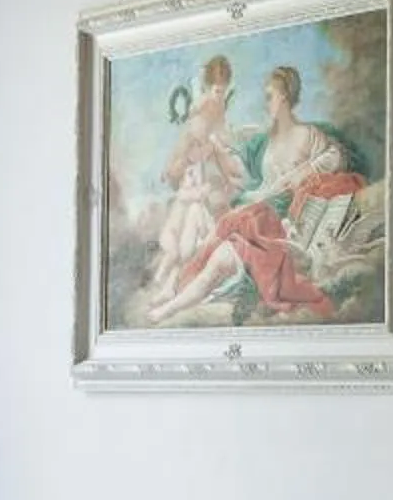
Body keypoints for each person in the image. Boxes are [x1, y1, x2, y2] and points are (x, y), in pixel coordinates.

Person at [149, 62, 365, 323]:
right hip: (261, 212)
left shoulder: (308, 135)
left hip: (280, 221)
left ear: (284, 96)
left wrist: (301, 173)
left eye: (269, 96)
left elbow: (336, 158)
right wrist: (216, 149)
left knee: (223, 249)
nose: (266, 103)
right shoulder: (266, 142)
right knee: (217, 242)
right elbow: (248, 177)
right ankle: (173, 294)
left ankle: (173, 298)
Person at [147, 55, 241, 305]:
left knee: (212, 225)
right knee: (194, 228)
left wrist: (226, 169)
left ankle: (191, 281)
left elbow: (220, 149)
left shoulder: (217, 110)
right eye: (216, 89)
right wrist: (182, 165)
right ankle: (176, 284)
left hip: (210, 178)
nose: (219, 95)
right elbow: (188, 149)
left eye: (223, 89)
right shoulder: (200, 112)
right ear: (209, 85)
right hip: (198, 182)